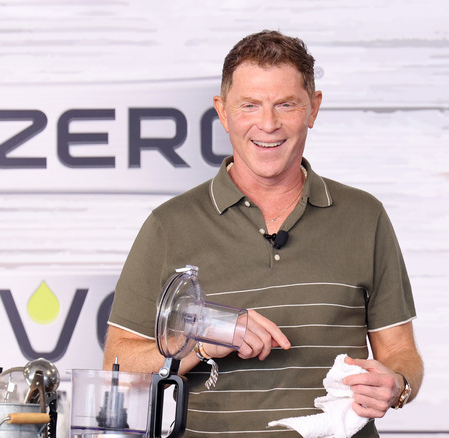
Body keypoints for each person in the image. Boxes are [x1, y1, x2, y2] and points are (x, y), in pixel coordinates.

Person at [104, 30, 423, 437]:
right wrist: (204, 341)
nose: (268, 124)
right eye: (249, 105)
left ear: (313, 109)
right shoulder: (169, 224)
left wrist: (398, 385)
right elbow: (119, 365)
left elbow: (400, 352)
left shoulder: (365, 217)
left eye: (286, 104)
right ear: (222, 112)